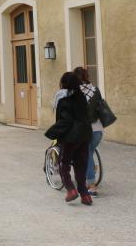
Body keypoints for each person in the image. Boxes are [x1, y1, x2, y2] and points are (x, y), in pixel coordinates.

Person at [45, 72, 93, 206]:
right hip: (85, 135)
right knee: (80, 165)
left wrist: (51, 132)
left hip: (70, 137)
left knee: (63, 163)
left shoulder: (64, 101)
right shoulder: (82, 98)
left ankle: (70, 189)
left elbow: (65, 121)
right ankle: (85, 194)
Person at [74, 67, 104, 197]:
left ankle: (92, 186)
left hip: (84, 130)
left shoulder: (74, 92)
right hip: (98, 129)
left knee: (85, 154)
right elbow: (99, 106)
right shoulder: (95, 89)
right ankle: (90, 172)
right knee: (89, 153)